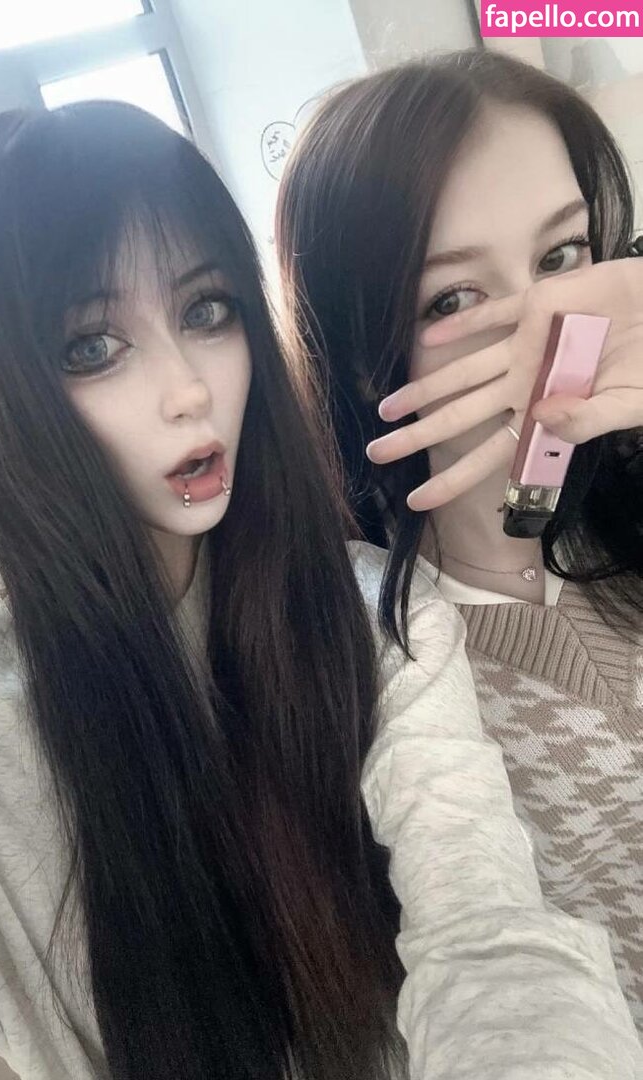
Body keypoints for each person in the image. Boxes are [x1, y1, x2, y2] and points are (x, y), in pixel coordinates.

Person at [0, 100, 640, 1080]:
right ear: (2, 392)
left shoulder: (369, 611)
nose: (188, 389)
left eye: (205, 310)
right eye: (91, 347)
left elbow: (488, 932)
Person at [276, 47, 643, 1032]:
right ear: (362, 352)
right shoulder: (384, 680)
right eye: (452, 297)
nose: (543, 324)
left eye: (560, 257)